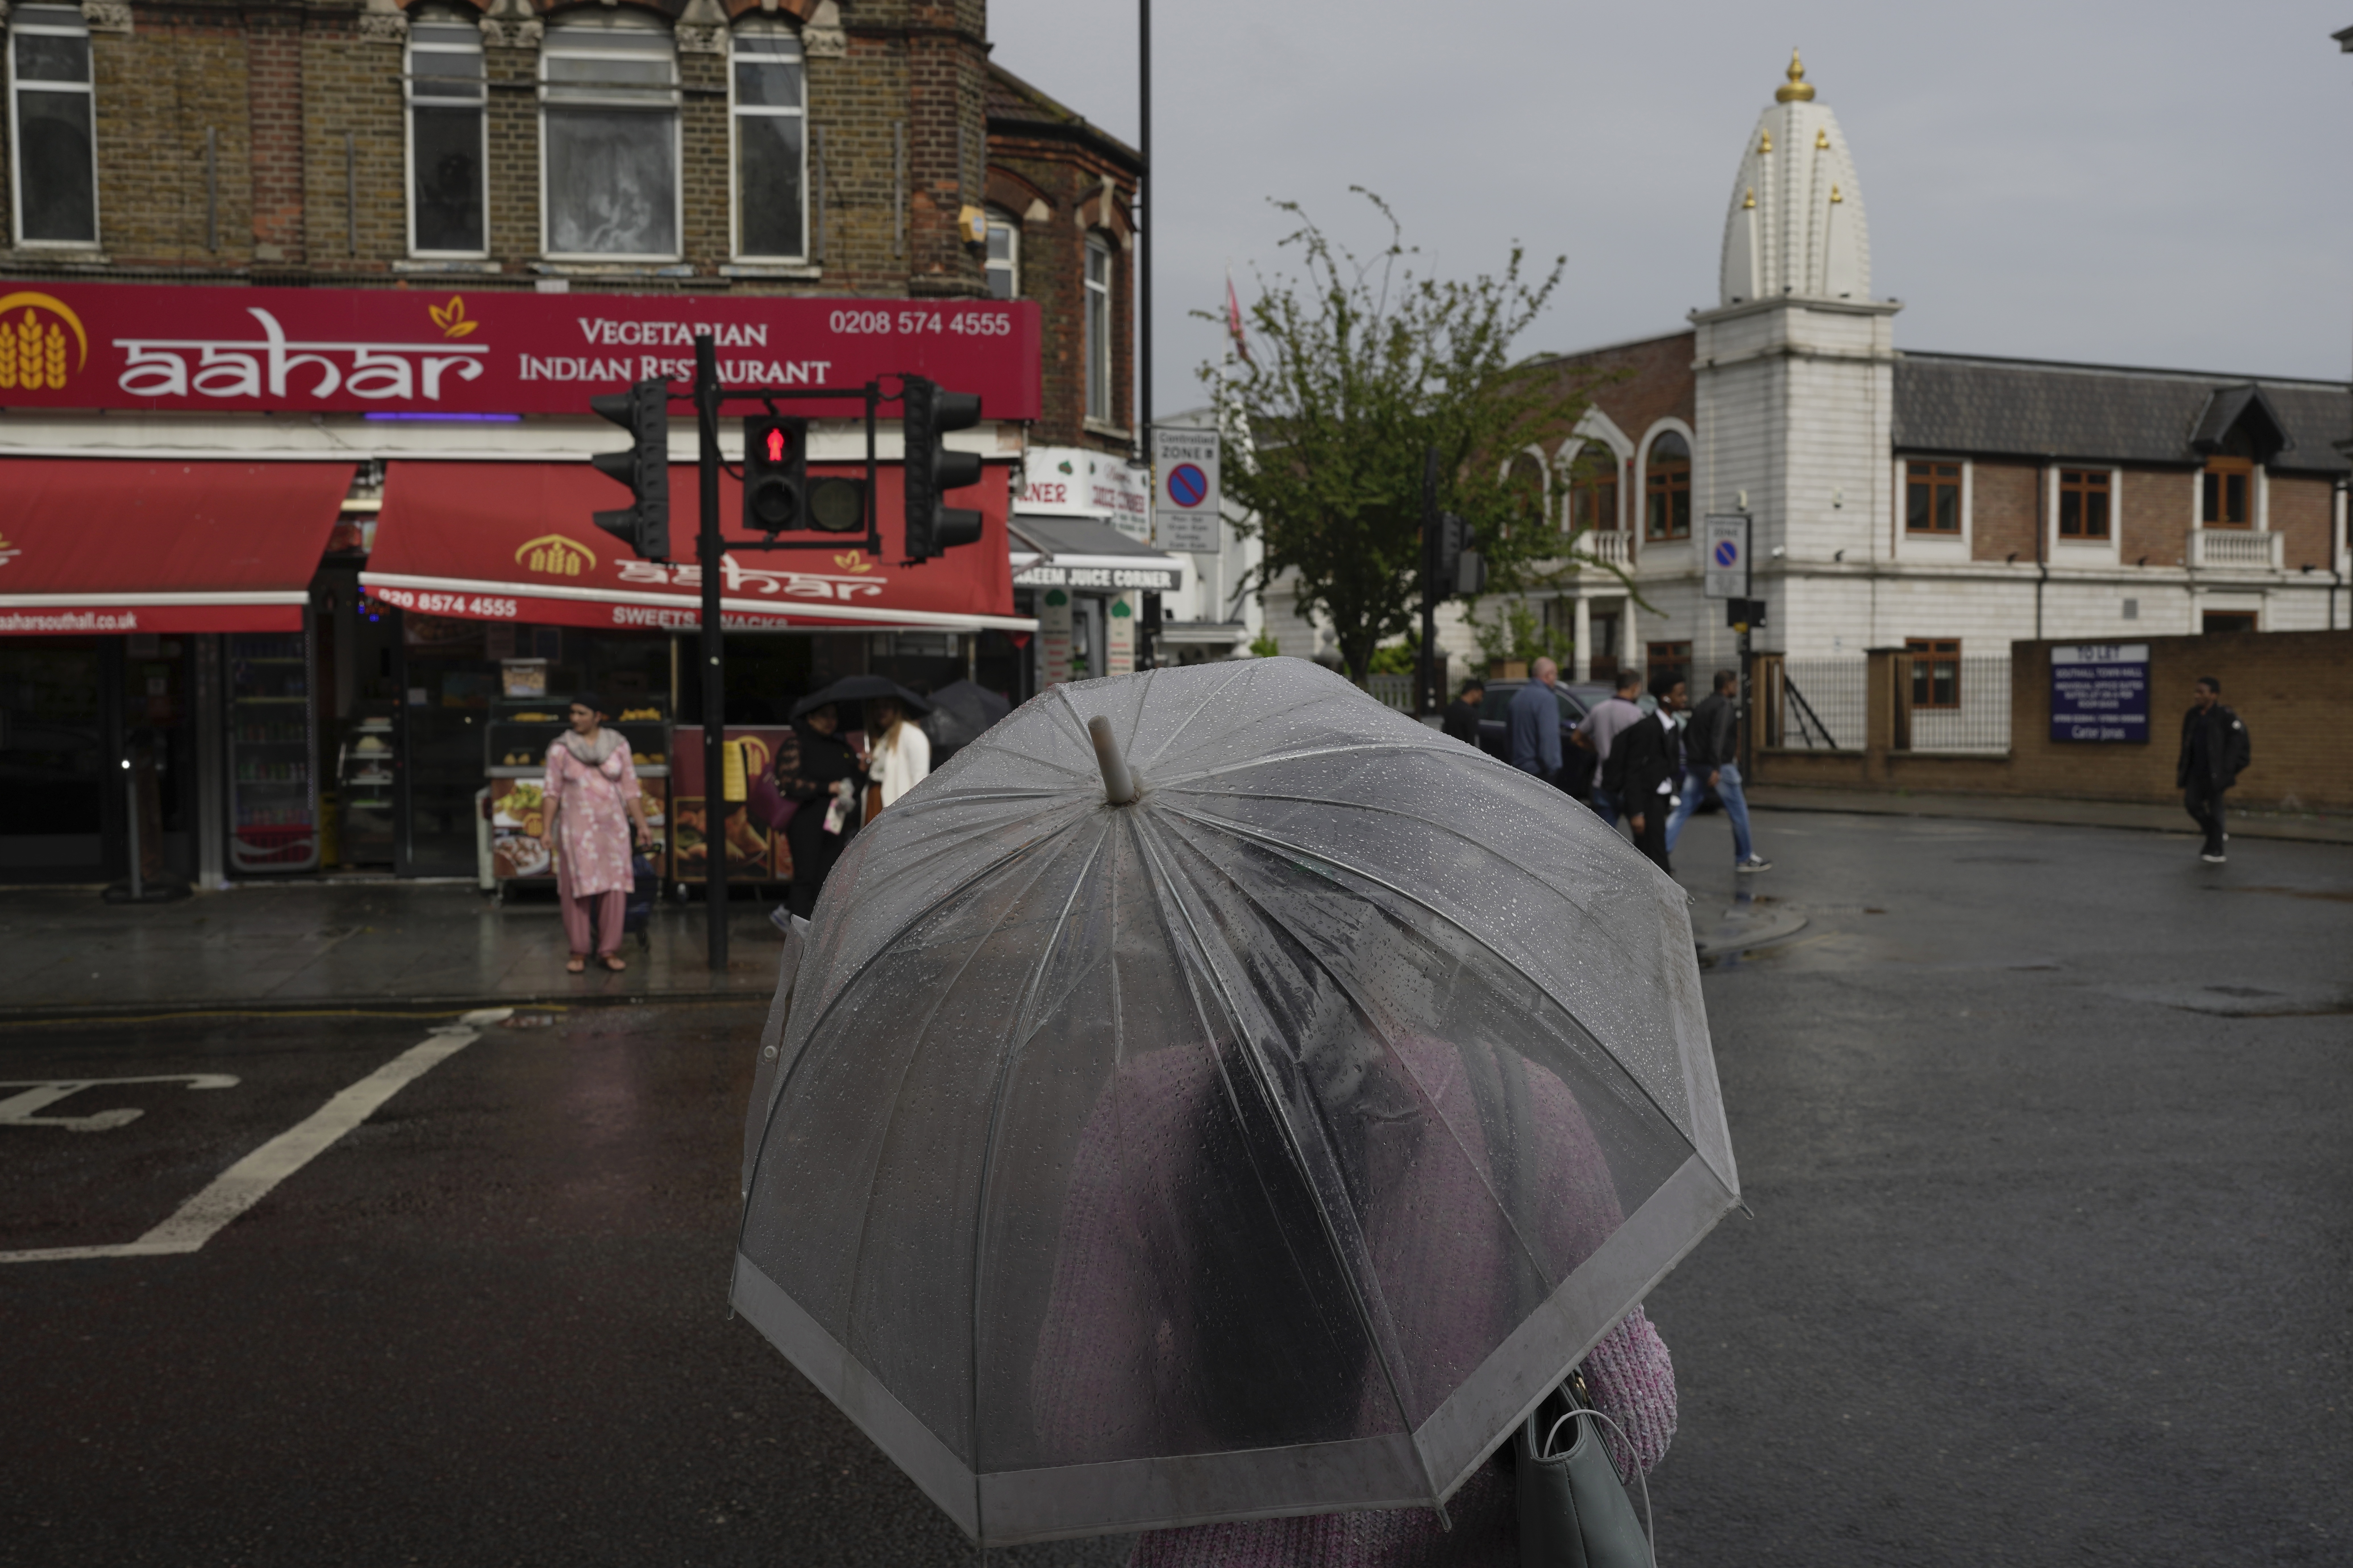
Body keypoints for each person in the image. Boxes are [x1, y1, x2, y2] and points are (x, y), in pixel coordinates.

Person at [1032, 972, 1677, 1564]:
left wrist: (1200, 1356)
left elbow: (1080, 1427)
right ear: (1414, 919)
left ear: (1230, 912)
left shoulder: (1142, 1107)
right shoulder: (1525, 1108)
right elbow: (1634, 1423)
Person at [540, 695, 653, 973]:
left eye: (582, 713)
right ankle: (578, 951)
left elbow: (631, 790)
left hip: (613, 831)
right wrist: (545, 829)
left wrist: (643, 825)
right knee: (577, 890)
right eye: (573, 713)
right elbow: (552, 792)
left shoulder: (618, 745)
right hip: (577, 832)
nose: (575, 719)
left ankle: (609, 950)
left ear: (598, 716)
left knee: (614, 889)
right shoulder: (561, 749)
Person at [1666, 668, 1771, 873]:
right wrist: (1715, 768)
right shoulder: (1724, 706)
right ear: (1728, 685)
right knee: (1739, 811)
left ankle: (1659, 852)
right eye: (1735, 685)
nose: (1737, 689)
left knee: (1683, 810)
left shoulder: (1703, 704)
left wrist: (1695, 759)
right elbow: (1719, 738)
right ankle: (1745, 858)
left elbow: (1686, 733)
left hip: (1696, 766)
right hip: (1721, 767)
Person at [772, 700, 864, 919]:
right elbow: (789, 782)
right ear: (810, 718)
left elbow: (854, 785)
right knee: (805, 877)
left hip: (836, 821)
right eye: (824, 715)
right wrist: (826, 787)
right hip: (805, 820)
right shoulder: (797, 744)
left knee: (828, 879)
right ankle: (798, 932)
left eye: (833, 716)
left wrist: (862, 771)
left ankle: (819, 934)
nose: (830, 721)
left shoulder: (842, 748)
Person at [1605, 672, 1685, 872]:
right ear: (1665, 698)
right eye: (1680, 694)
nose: (1684, 699)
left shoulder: (1672, 726)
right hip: (1647, 801)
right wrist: (1636, 813)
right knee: (1656, 859)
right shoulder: (1647, 728)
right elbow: (1633, 771)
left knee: (1647, 857)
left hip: (1661, 797)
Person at [2177, 675, 2249, 864]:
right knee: (2191, 804)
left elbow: (2240, 746)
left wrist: (2228, 770)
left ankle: (2216, 849)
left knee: (2216, 809)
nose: (2196, 696)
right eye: (2196, 692)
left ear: (2214, 695)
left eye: (2201, 692)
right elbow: (2186, 746)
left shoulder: (2225, 716)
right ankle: (2215, 834)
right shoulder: (2192, 715)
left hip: (2216, 774)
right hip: (2195, 772)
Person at [1571, 669, 1646, 826]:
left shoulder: (1600, 709)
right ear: (1635, 687)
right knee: (1639, 839)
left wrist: (1597, 748)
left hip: (1602, 780)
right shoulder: (1637, 714)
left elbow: (1577, 738)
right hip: (1627, 782)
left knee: (1605, 840)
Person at [863, 695, 931, 823]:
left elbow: (921, 779)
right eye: (877, 707)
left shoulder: (913, 735)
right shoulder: (882, 738)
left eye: (886, 707)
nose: (881, 711)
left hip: (898, 809)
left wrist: (912, 814)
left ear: (896, 709)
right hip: (876, 802)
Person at [1507, 657, 1563, 782]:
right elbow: (1548, 738)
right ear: (1549, 675)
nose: (1556, 679)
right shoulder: (1547, 699)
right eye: (1555, 674)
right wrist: (1553, 768)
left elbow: (1509, 737)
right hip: (1539, 772)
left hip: (1519, 769)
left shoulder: (1517, 697)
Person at [1441, 677, 1485, 748]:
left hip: (1449, 751)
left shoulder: (1450, 708)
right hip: (1465, 753)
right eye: (1481, 695)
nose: (1482, 699)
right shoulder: (1471, 713)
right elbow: (1474, 739)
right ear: (1474, 692)